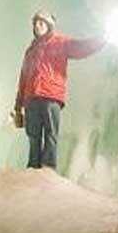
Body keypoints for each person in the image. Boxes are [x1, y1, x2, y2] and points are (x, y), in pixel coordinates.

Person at [14, 10, 106, 170]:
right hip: (31, 99)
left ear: (49, 25)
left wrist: (102, 40)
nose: (37, 26)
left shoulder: (60, 42)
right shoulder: (30, 51)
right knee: (33, 136)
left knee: (50, 135)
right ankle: (32, 170)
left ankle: (48, 170)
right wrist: (18, 107)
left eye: (41, 23)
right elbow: (23, 79)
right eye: (35, 23)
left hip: (51, 97)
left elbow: (81, 47)